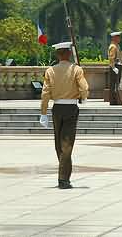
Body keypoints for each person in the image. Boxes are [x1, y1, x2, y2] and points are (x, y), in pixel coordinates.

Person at [39, 42, 89, 189]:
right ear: (68, 53)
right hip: (71, 107)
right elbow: (84, 88)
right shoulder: (76, 69)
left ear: (57, 54)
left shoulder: (50, 71)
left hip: (57, 108)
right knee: (67, 144)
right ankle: (63, 179)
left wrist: (43, 112)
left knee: (59, 145)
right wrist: (83, 97)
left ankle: (64, 176)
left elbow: (45, 93)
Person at [108, 32, 122, 106]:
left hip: (118, 66)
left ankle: (116, 99)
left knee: (116, 84)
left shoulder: (117, 46)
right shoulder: (113, 47)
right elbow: (111, 58)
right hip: (115, 67)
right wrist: (113, 67)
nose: (119, 38)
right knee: (114, 84)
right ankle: (113, 100)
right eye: (118, 37)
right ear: (114, 38)